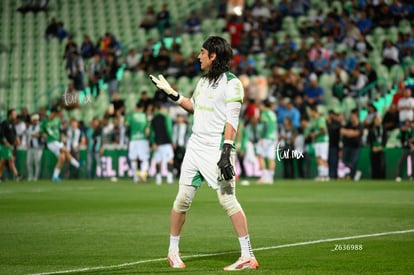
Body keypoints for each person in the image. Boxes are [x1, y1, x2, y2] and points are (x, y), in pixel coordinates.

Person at [149, 36, 258, 270]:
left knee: (228, 200)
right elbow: (194, 107)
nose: (198, 56)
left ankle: (247, 256)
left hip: (217, 149)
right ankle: (173, 252)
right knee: (182, 200)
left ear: (213, 55)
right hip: (194, 148)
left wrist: (226, 150)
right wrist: (171, 93)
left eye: (202, 52)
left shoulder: (233, 83)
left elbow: (232, 120)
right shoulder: (203, 81)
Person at [40, 106, 81, 182]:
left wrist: (63, 137)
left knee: (62, 158)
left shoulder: (57, 120)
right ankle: (77, 164)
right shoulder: (44, 122)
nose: (57, 115)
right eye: (56, 113)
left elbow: (60, 130)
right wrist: (42, 134)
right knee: (64, 149)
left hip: (57, 141)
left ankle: (54, 177)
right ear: (53, 113)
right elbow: (41, 131)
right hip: (51, 141)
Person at [149, 103, 174, 185]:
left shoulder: (153, 119)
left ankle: (158, 178)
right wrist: (171, 141)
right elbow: (169, 130)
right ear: (162, 108)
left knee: (158, 161)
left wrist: (153, 143)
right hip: (166, 142)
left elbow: (151, 133)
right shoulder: (166, 117)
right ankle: (169, 178)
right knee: (169, 160)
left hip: (157, 143)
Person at [126, 102, 150, 183]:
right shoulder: (145, 116)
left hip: (133, 139)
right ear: (142, 108)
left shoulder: (131, 116)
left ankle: (135, 178)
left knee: (133, 159)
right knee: (145, 158)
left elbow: (126, 124)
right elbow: (147, 130)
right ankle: (143, 173)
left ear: (136, 107)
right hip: (142, 139)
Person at [256, 98, 277, 184]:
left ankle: (264, 177)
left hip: (265, 138)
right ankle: (270, 178)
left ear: (264, 105)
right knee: (271, 158)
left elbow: (265, 126)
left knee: (260, 156)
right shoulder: (273, 114)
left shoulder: (264, 114)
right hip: (273, 138)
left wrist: (261, 137)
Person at [305, 106, 329, 181]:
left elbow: (324, 130)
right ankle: (322, 175)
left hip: (323, 141)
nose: (310, 113)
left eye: (311, 112)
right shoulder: (313, 120)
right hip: (317, 141)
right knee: (318, 157)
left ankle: (325, 175)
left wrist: (315, 135)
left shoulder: (320, 119)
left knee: (323, 158)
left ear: (314, 111)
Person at [340, 109, 363, 180]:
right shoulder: (348, 124)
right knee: (344, 162)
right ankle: (345, 176)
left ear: (357, 116)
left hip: (356, 147)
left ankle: (352, 176)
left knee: (353, 162)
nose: (351, 117)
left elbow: (356, 133)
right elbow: (342, 131)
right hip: (347, 146)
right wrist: (350, 132)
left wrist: (349, 133)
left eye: (353, 116)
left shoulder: (360, 125)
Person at [0, 109, 21, 181]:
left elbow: (14, 133)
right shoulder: (4, 123)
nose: (15, 116)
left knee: (3, 161)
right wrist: (5, 142)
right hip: (4, 145)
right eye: (14, 114)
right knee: (11, 159)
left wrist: (17, 139)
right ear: (10, 115)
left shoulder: (12, 123)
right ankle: (17, 175)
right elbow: (1, 134)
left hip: (10, 145)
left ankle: (0, 176)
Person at [26, 114, 43, 181]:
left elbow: (40, 135)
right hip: (30, 147)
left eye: (36, 120)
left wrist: (34, 135)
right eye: (34, 120)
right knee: (29, 162)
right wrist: (27, 143)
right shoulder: (30, 127)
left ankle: (36, 177)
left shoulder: (40, 127)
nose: (35, 121)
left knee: (37, 162)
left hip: (38, 147)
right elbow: (28, 135)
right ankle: (30, 176)